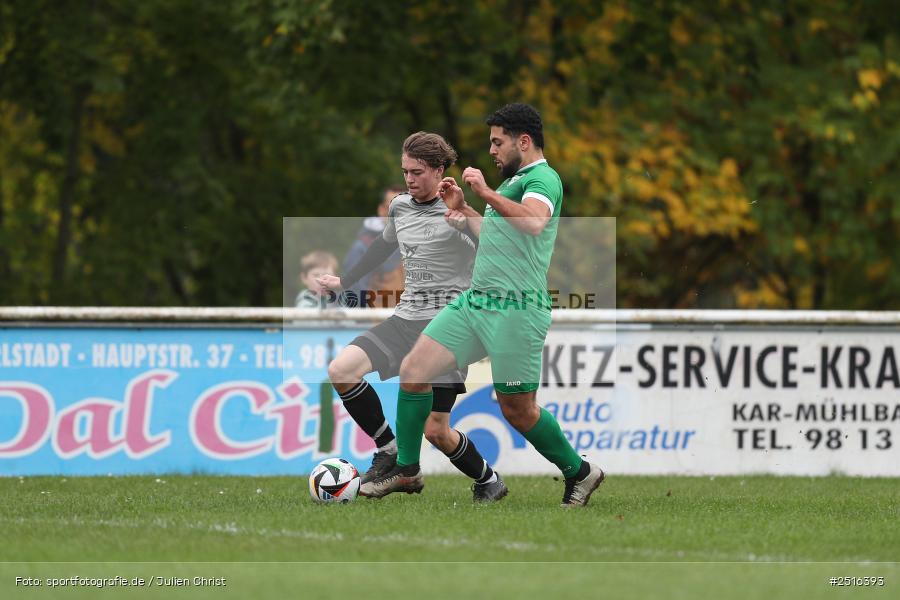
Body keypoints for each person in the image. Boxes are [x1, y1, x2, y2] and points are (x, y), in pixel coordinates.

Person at [365, 103, 606, 507]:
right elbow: (497, 232)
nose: (492, 151)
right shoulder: (515, 183)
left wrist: (485, 193)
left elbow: (533, 222)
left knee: (518, 411)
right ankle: (407, 471)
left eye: (498, 142)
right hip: (477, 301)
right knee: (413, 370)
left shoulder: (543, 179)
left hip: (517, 308)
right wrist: (463, 210)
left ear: (523, 142)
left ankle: (580, 472)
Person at [316, 131, 508, 502]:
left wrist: (465, 220)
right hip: (405, 319)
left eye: (417, 172)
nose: (409, 179)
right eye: (405, 171)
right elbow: (382, 247)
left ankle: (488, 480)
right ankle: (390, 451)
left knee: (437, 431)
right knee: (341, 370)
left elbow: (495, 256)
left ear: (439, 171)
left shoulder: (457, 211)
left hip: (447, 327)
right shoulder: (400, 207)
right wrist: (345, 281)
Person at [341, 187, 405, 308]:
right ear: (381, 210)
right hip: (373, 321)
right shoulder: (361, 248)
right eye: (392, 207)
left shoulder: (420, 245)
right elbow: (355, 296)